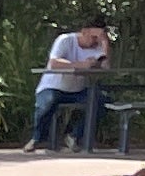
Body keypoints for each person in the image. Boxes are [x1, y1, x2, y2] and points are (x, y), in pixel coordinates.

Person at [32, 18, 114, 149]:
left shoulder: (98, 48)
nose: (95, 41)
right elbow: (54, 63)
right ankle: (38, 138)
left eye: (99, 38)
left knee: (100, 101)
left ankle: (74, 135)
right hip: (53, 87)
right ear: (84, 32)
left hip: (78, 90)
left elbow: (106, 67)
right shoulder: (65, 40)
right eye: (94, 37)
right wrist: (81, 65)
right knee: (47, 102)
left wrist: (104, 44)